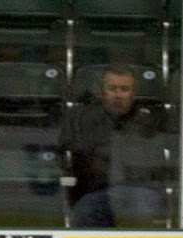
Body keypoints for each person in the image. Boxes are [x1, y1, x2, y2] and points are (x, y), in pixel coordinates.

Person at [58, 66, 168, 228]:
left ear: (133, 94)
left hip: (139, 190)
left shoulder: (149, 120)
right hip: (98, 191)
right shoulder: (84, 119)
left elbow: (156, 166)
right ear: (102, 92)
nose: (118, 95)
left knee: (144, 206)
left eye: (124, 89)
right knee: (85, 209)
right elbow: (74, 156)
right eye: (112, 88)